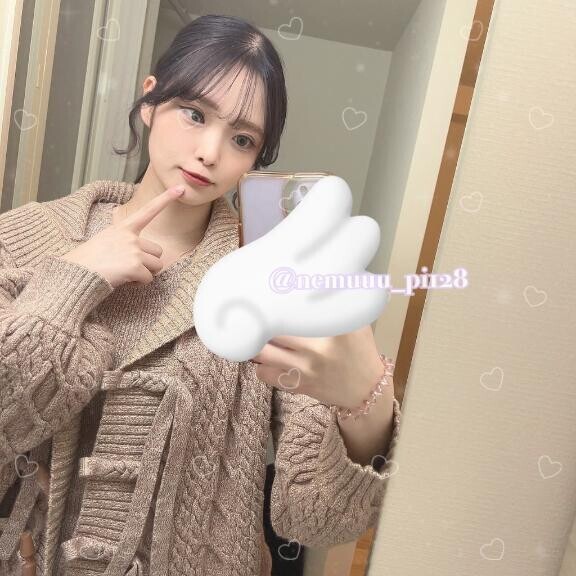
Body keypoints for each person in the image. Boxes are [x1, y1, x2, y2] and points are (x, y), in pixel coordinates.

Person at [0, 14, 402, 576]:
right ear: (150, 101)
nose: (210, 151)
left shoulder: (271, 276)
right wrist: (73, 280)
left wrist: (367, 404)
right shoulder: (23, 238)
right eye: (194, 113)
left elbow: (314, 521)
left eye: (242, 139)